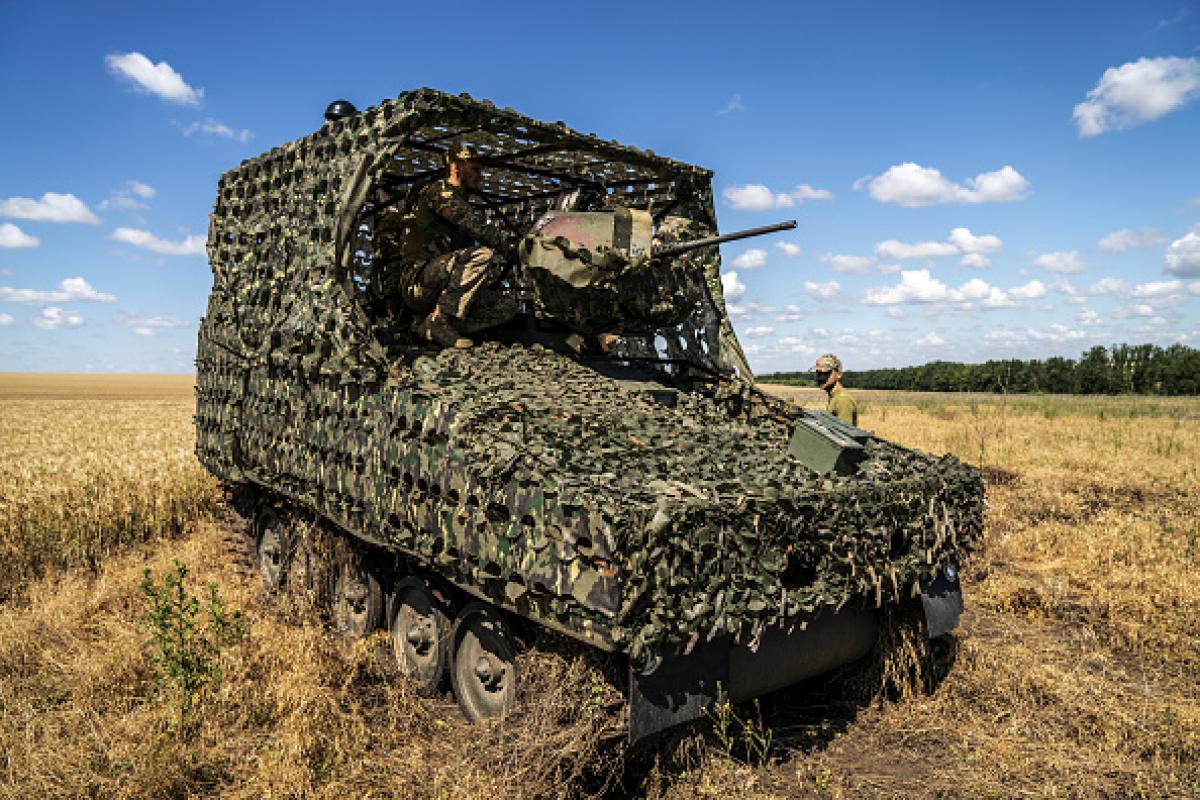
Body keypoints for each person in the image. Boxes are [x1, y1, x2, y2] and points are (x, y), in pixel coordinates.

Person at [379, 142, 516, 348]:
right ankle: (439, 323)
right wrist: (508, 248)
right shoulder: (439, 192)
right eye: (475, 168)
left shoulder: (462, 200)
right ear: (456, 167)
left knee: (507, 306)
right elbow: (473, 223)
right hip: (418, 282)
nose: (480, 175)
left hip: (441, 288)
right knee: (481, 255)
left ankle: (431, 325)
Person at [813, 353, 858, 426]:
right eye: (818, 373)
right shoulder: (834, 396)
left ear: (839, 374)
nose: (820, 378)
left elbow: (844, 433)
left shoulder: (842, 399)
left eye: (826, 373)